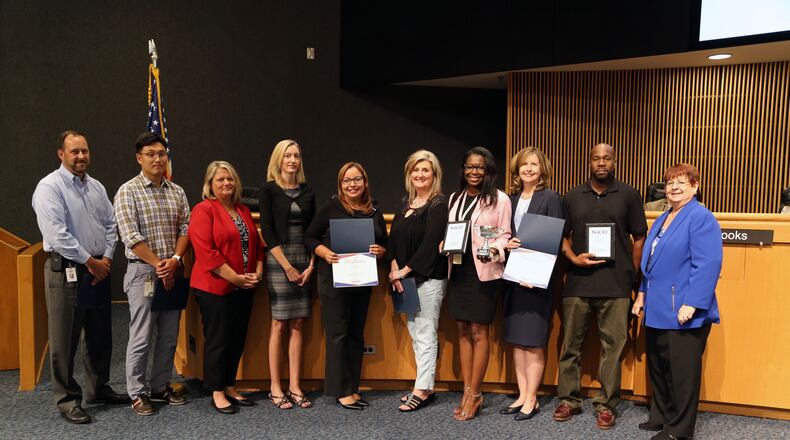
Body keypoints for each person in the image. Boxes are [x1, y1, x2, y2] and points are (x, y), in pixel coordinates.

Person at [32, 130, 130, 424]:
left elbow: (111, 224)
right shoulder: (49, 187)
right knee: (65, 340)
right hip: (68, 271)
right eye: (74, 151)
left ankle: (97, 389)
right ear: (61, 154)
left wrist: (107, 259)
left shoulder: (96, 187)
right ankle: (67, 399)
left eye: (85, 151)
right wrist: (90, 261)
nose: (81, 157)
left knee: (100, 336)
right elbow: (56, 234)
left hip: (99, 269)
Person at [553, 142, 647, 430]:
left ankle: (606, 405)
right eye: (596, 158)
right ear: (590, 162)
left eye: (607, 158)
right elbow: (561, 235)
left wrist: (632, 275)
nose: (602, 163)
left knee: (613, 349)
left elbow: (639, 237)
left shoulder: (629, 194)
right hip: (578, 285)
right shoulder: (572, 196)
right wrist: (573, 259)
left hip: (616, 286)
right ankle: (569, 400)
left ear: (614, 162)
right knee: (571, 347)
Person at [632, 163, 722, 440]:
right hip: (658, 307)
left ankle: (680, 429)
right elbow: (650, 263)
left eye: (682, 182)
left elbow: (708, 264)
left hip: (684, 310)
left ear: (695, 186)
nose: (674, 187)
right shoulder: (662, 217)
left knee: (682, 374)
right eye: (670, 182)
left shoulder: (700, 216)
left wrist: (692, 303)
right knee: (659, 367)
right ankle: (661, 415)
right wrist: (642, 295)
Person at [114, 131, 190, 416]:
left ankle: (159, 386)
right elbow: (130, 236)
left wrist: (175, 259)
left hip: (172, 269)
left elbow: (186, 228)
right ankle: (137, 392)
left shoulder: (177, 191)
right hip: (144, 273)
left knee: (169, 335)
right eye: (151, 154)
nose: (157, 158)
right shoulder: (128, 191)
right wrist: (161, 264)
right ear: (139, 158)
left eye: (161, 153)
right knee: (142, 336)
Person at [304, 162, 388, 410]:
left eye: (357, 179)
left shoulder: (374, 211)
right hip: (332, 278)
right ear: (340, 184)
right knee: (337, 333)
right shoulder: (332, 206)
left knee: (355, 333)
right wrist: (324, 252)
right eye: (346, 180)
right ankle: (340, 390)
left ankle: (353, 387)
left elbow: (385, 243)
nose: (352, 185)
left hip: (362, 279)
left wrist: (381, 251)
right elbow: (309, 237)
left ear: (365, 182)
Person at [189, 161, 264, 414]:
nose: (226, 184)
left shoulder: (242, 210)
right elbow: (206, 253)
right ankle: (217, 391)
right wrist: (235, 278)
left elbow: (258, 246)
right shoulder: (203, 210)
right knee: (218, 340)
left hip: (243, 287)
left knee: (237, 338)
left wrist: (257, 272)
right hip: (214, 288)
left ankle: (230, 385)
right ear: (210, 184)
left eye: (230, 179)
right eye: (220, 179)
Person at [446, 146, 511, 421]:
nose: (474, 172)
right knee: (462, 330)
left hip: (484, 271)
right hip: (459, 271)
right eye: (470, 167)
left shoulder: (500, 199)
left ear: (488, 170)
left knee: (479, 332)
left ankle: (475, 395)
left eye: (479, 167)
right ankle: (466, 390)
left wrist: (495, 248)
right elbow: (452, 231)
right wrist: (444, 242)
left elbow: (505, 233)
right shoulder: (454, 198)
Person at [501, 147, 563, 421]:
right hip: (514, 277)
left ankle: (533, 397)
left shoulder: (550, 198)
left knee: (534, 341)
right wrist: (508, 243)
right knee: (517, 340)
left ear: (542, 169)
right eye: (524, 164)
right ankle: (522, 394)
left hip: (538, 281)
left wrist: (535, 275)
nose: (528, 168)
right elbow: (502, 233)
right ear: (517, 169)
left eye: (534, 164)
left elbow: (553, 240)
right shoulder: (509, 199)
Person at [387, 150, 448, 412]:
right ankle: (424, 384)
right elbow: (393, 242)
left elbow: (430, 244)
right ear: (409, 174)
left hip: (428, 278)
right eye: (415, 170)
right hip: (404, 280)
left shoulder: (438, 205)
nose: (420, 175)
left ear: (434, 175)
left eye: (425, 170)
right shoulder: (406, 204)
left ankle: (422, 389)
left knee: (425, 333)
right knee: (415, 332)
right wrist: (393, 268)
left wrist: (405, 270)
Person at [259, 140, 316, 409]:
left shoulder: (307, 191)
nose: (292, 159)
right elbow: (267, 231)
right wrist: (288, 267)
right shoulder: (268, 189)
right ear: (278, 159)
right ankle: (275, 386)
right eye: (287, 155)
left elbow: (315, 232)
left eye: (296, 155)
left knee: (298, 324)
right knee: (279, 323)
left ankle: (294, 385)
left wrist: (311, 265)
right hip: (279, 260)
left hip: (304, 260)